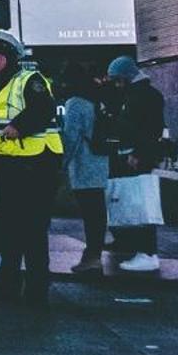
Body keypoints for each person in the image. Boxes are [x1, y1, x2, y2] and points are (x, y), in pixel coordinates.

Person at [0, 32, 63, 305]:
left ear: (12, 57)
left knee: (32, 229)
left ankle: (37, 290)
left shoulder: (29, 80)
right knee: (8, 229)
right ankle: (7, 284)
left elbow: (43, 108)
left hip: (35, 165)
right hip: (7, 166)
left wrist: (19, 126)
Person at [103, 57, 167, 273]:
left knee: (141, 205)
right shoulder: (139, 93)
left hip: (137, 156)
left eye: (118, 80)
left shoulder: (143, 96)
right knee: (135, 203)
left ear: (127, 76)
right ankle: (139, 248)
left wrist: (138, 152)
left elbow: (151, 128)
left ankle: (147, 253)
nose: (116, 84)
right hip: (133, 154)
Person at [57, 61, 108, 275]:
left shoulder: (75, 103)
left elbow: (71, 137)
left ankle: (92, 257)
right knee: (97, 211)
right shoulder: (95, 98)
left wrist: (60, 164)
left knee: (90, 212)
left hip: (84, 162)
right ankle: (95, 253)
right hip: (100, 160)